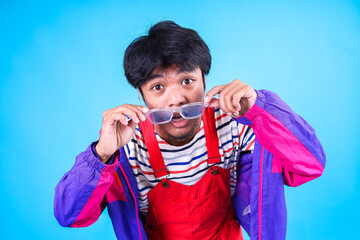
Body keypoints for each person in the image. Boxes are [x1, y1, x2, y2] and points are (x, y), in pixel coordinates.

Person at [54, 20, 326, 240]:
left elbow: (310, 165)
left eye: (187, 80)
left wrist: (261, 109)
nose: (176, 100)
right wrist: (101, 155)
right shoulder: (124, 149)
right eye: (157, 87)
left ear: (204, 80)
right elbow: (69, 216)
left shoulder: (237, 126)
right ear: (141, 96)